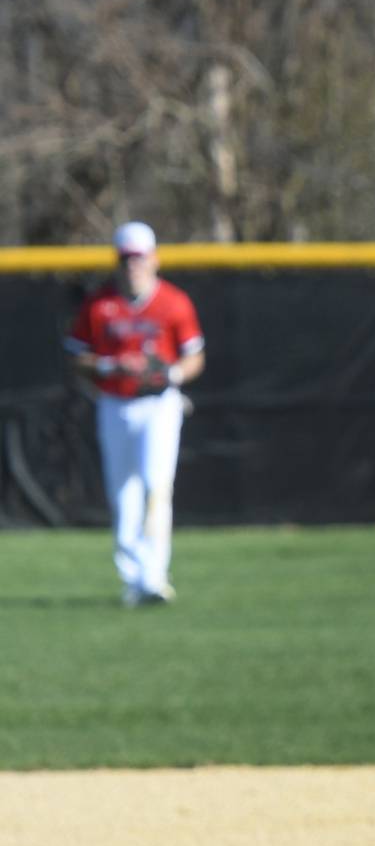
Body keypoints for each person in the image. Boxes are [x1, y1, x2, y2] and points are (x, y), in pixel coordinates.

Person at [65, 221, 205, 606]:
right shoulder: (99, 304)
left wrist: (168, 373)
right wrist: (112, 365)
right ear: (118, 260)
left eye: (140, 257)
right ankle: (132, 576)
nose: (133, 265)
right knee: (122, 492)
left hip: (159, 404)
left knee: (156, 485)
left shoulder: (173, 302)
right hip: (115, 403)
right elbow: (77, 357)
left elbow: (195, 357)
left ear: (154, 258)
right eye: (126, 258)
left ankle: (154, 578)